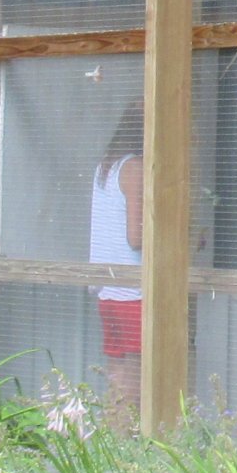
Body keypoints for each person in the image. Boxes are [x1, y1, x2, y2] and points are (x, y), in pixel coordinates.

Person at [88, 107, 144, 416]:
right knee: (138, 377)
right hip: (133, 292)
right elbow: (135, 238)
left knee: (118, 373)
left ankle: (115, 444)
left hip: (108, 292)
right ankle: (130, 444)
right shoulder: (134, 168)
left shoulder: (105, 168)